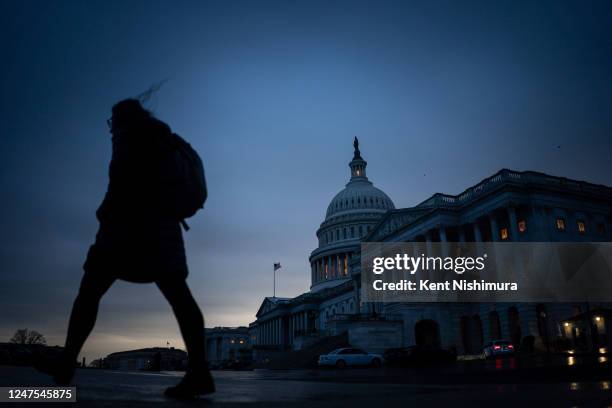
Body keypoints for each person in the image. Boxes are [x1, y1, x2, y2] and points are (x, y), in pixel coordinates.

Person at [36, 99, 215, 398]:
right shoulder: (164, 138)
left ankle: (67, 362)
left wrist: (106, 214)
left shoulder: (131, 138)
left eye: (111, 123)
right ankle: (199, 371)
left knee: (90, 292)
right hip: (164, 227)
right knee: (179, 297)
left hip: (129, 228)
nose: (110, 129)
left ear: (120, 120)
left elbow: (122, 182)